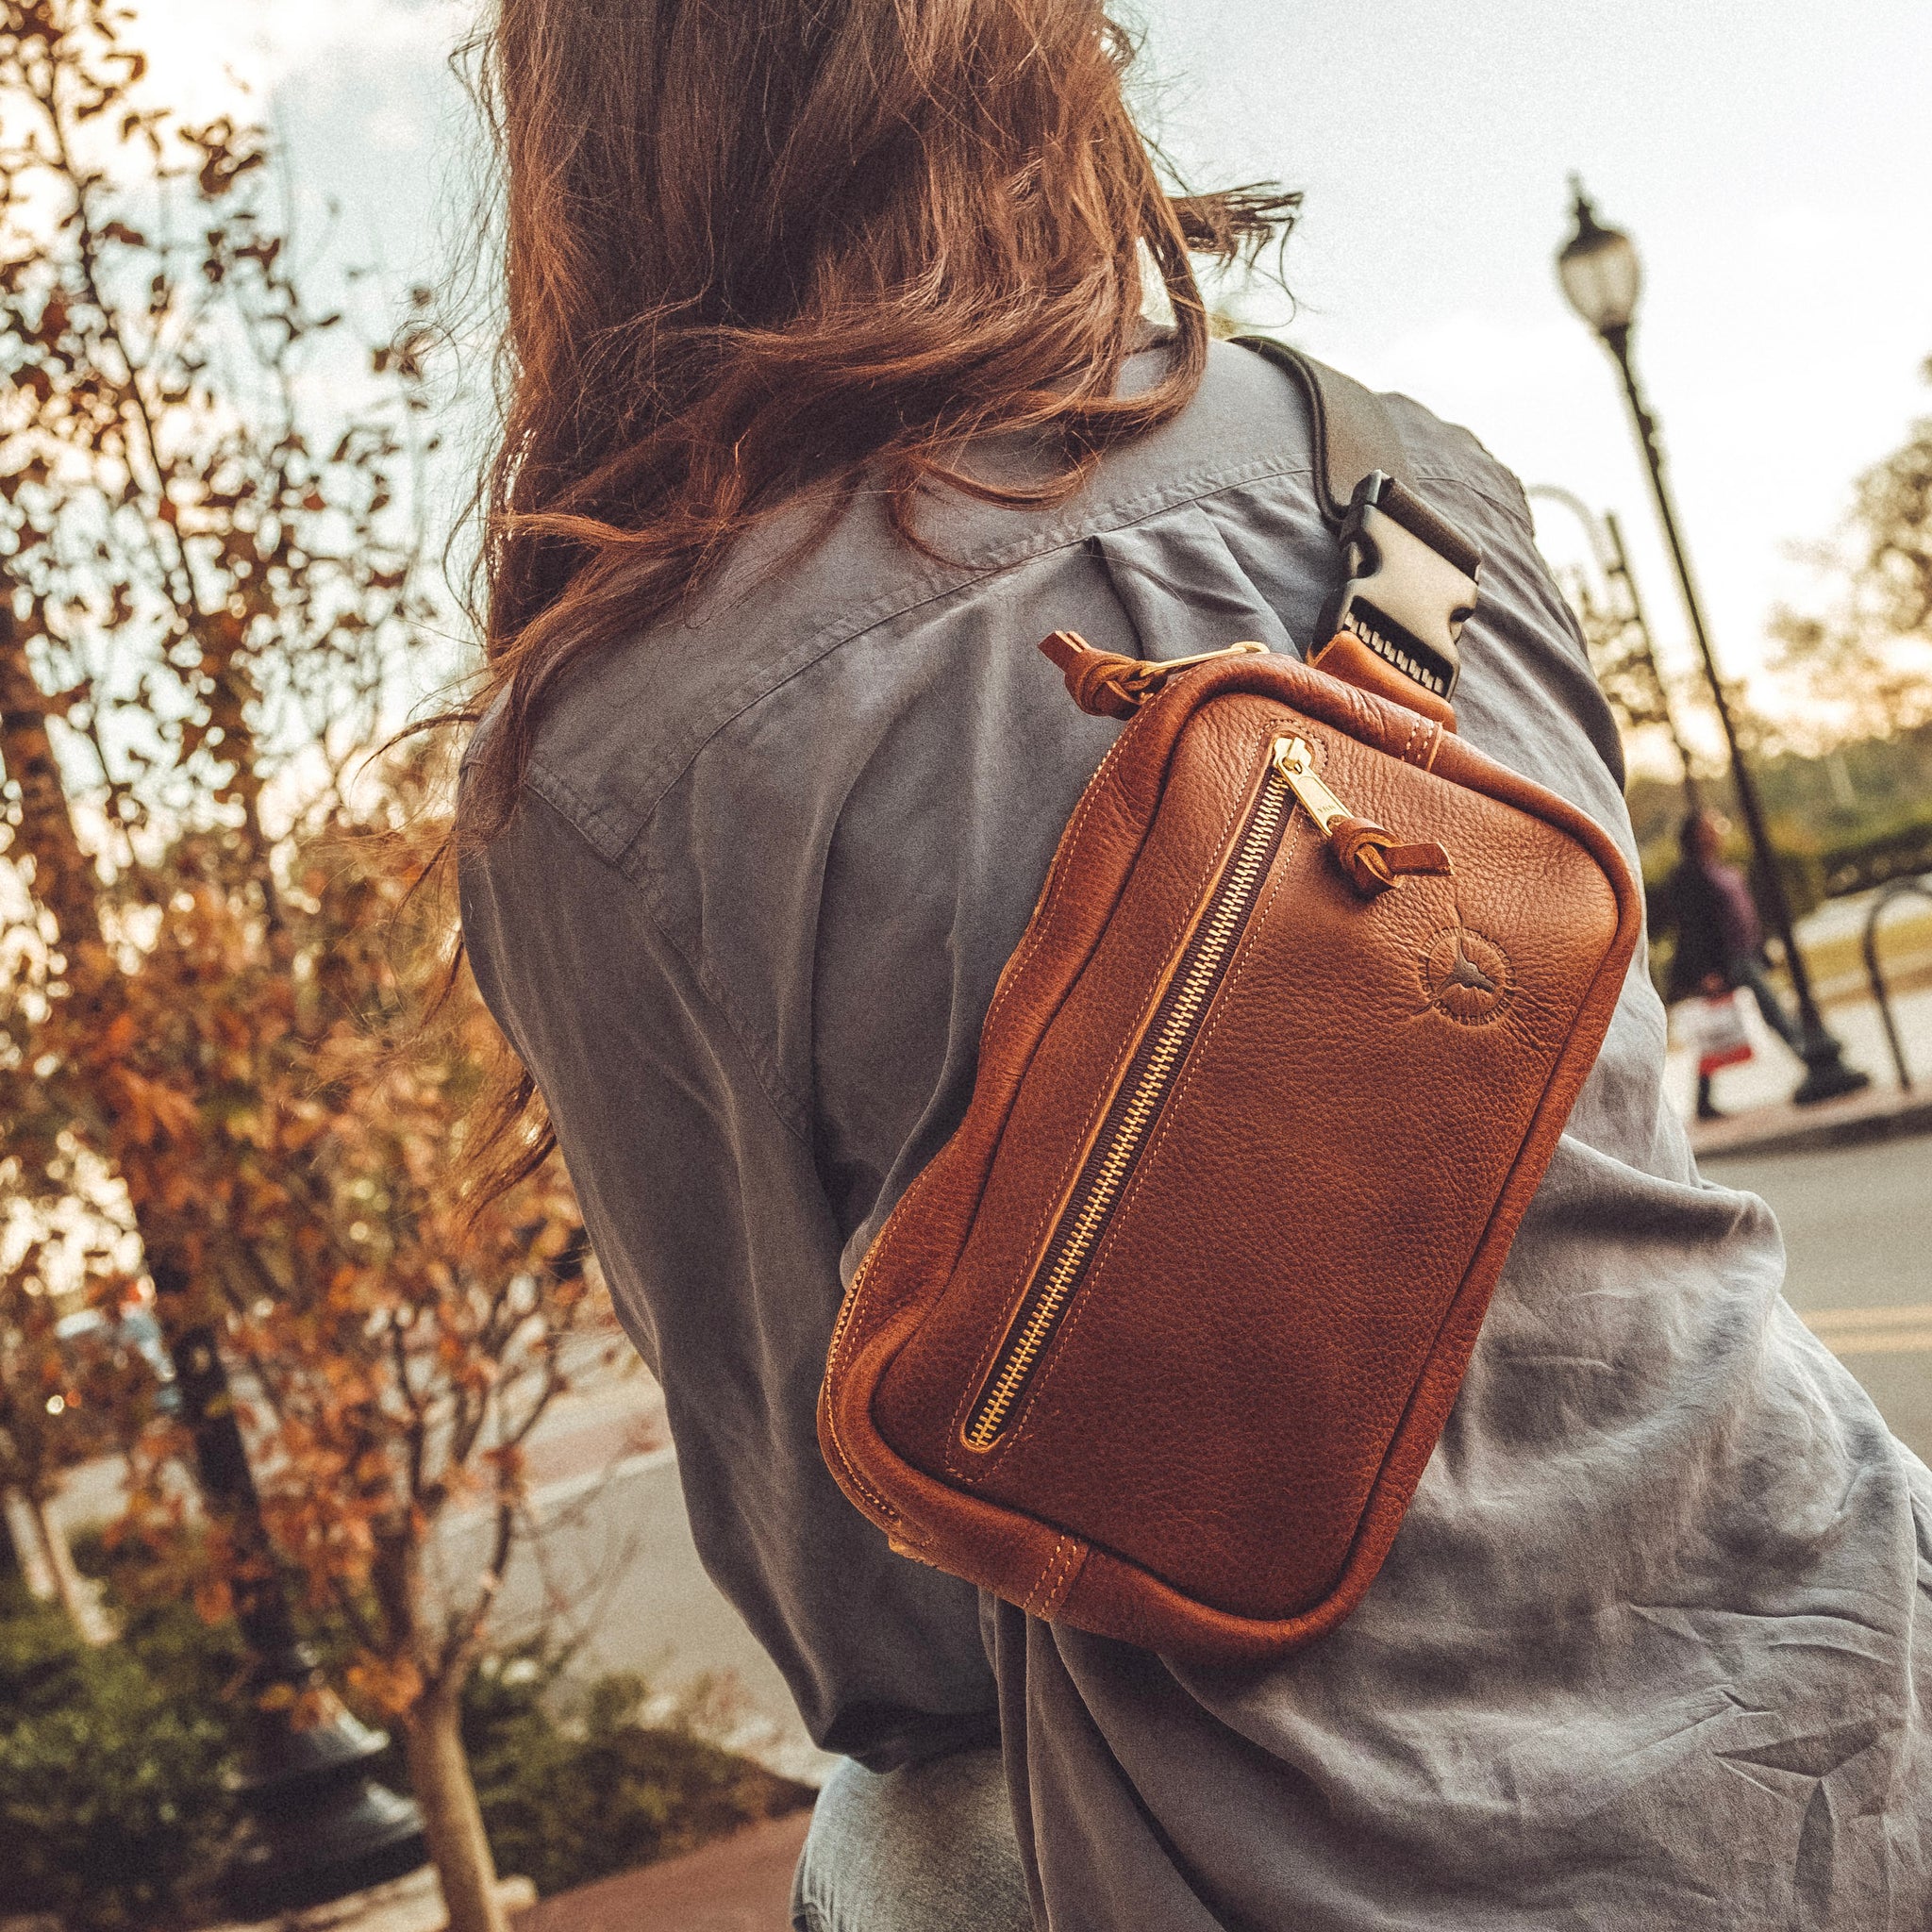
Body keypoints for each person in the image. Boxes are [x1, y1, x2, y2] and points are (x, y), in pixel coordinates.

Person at [453, 4, 1932, 1925]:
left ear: (595, 153)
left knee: (886, 1841)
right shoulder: (1412, 482)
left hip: (1319, 1872)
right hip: (1854, 1677)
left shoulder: (606, 756)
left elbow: (879, 1635)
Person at [1653, 807, 1806, 1118]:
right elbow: (1694, 927)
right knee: (1771, 1014)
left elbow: (1744, 915)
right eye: (1713, 825)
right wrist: (1706, 971)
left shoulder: (1720, 868)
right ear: (1698, 834)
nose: (1721, 829)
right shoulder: (1688, 876)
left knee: (1723, 1028)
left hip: (1745, 954)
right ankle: (1812, 1061)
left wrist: (1762, 950)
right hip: (1725, 961)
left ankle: (1704, 1102)